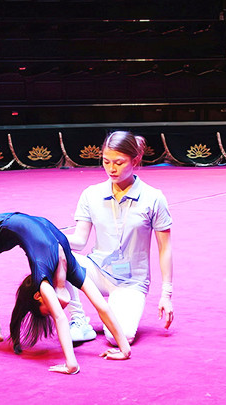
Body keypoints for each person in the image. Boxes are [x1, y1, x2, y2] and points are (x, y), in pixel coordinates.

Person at [0, 212, 131, 374]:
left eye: (48, 310)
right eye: (49, 309)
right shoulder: (49, 271)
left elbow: (101, 306)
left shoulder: (61, 272)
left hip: (4, 233)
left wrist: (124, 349)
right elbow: (61, 317)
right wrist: (71, 364)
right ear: (39, 296)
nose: (54, 310)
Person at [65, 131, 174, 345]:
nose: (111, 169)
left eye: (119, 162)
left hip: (131, 281)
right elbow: (79, 241)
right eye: (106, 161)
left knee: (120, 338)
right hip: (96, 270)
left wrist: (166, 295)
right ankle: (79, 321)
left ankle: (116, 311)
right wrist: (48, 235)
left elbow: (165, 248)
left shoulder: (154, 198)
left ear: (136, 160)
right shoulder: (91, 194)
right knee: (57, 254)